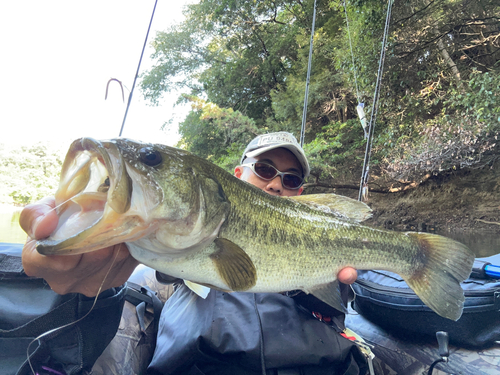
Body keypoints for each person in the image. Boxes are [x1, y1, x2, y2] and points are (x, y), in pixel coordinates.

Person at [20, 132, 365, 375]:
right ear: (237, 174)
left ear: (300, 192)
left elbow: (335, 311)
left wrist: (327, 289)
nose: (276, 183)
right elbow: (142, 284)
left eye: (290, 180)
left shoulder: (329, 253)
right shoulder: (158, 260)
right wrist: (89, 277)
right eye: (264, 169)